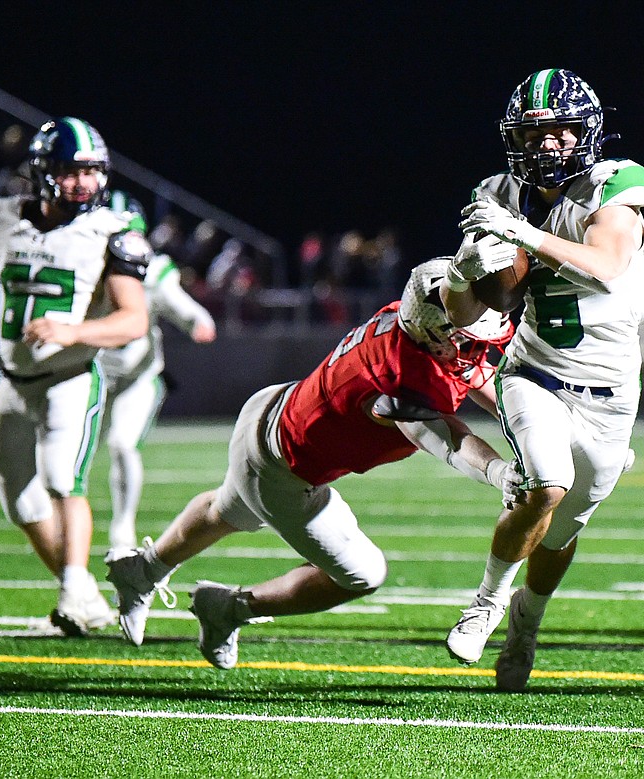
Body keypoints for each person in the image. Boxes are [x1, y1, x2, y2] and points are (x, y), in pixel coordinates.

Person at [104, 259, 523, 668]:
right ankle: (230, 609)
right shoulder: (401, 384)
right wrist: (499, 472)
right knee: (363, 574)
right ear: (439, 335)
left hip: (272, 408)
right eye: (468, 341)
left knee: (227, 509)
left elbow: (473, 374)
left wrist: (521, 418)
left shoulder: (408, 316)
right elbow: (450, 440)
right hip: (283, 469)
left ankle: (142, 570)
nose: (477, 351)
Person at [440, 68, 644, 690]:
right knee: (546, 484)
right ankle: (485, 602)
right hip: (536, 371)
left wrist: (523, 234)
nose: (549, 145)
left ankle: (525, 626)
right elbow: (473, 312)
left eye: (561, 131)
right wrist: (469, 272)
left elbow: (609, 267)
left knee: (562, 529)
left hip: (613, 390)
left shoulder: (619, 182)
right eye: (535, 134)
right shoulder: (497, 194)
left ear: (587, 133)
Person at [0, 117, 150, 635]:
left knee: (65, 479)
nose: (83, 183)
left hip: (69, 379)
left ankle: (70, 589)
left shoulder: (111, 232)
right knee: (18, 497)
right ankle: (81, 592)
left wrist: (71, 332)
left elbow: (134, 319)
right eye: (71, 171)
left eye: (91, 171)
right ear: (43, 173)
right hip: (12, 383)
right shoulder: (1, 221)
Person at [97, 191, 217, 554]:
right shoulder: (78, 261)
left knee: (121, 445)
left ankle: (122, 526)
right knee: (66, 452)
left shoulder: (152, 270)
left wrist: (197, 320)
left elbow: (182, 306)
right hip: (91, 373)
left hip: (138, 377)